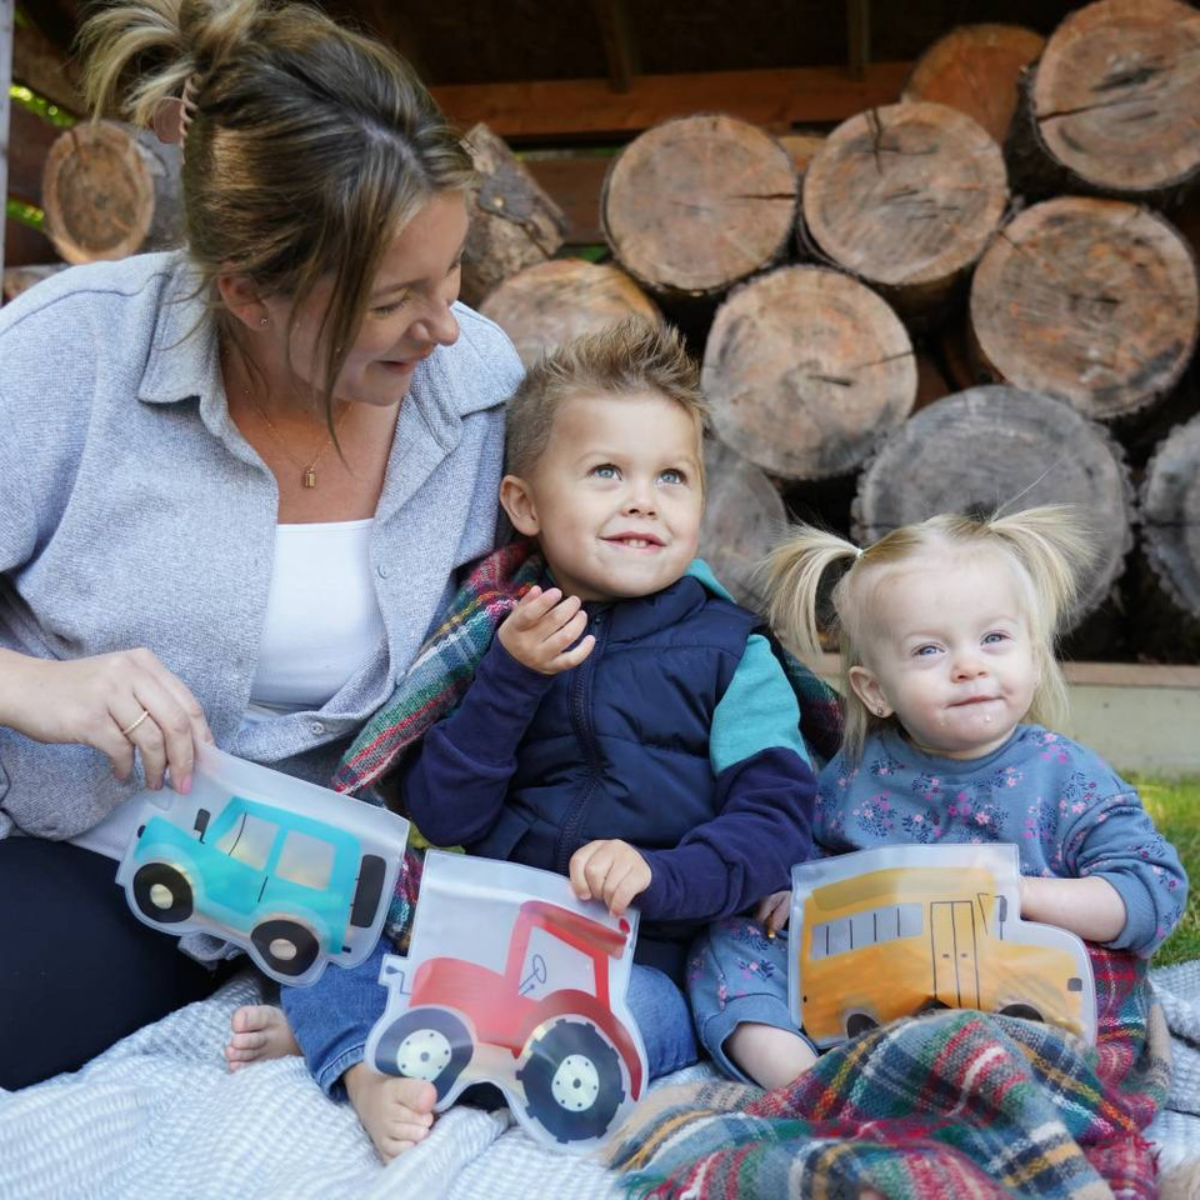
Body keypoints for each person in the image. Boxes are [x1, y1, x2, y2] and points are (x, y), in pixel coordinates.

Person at [0, 0, 525, 1091]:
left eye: (452, 272)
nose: (446, 323)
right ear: (245, 293)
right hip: (105, 863)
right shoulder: (71, 357)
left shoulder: (478, 389)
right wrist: (29, 690)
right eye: (395, 301)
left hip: (359, 895)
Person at [226, 319, 820, 1161]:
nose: (643, 499)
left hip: (633, 950)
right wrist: (511, 679)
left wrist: (660, 874)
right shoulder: (496, 631)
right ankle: (364, 1065)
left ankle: (432, 1045)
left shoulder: (732, 651)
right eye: (607, 472)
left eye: (672, 477)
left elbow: (776, 822)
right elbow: (444, 809)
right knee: (322, 924)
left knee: (648, 1024)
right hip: (483, 928)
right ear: (525, 505)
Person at [688, 505, 1188, 1089]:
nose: (969, 666)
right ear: (875, 691)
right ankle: (811, 1085)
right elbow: (808, 852)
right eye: (929, 650)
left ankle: (990, 1076)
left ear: (1034, 653)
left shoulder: (1065, 776)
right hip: (877, 987)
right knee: (726, 946)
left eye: (995, 638)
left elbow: (1153, 893)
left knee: (1105, 974)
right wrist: (791, 893)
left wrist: (1020, 895)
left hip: (1019, 993)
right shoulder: (855, 775)